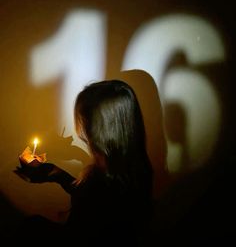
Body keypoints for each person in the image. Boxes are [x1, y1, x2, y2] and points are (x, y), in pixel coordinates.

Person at [15, 79, 154, 245]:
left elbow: (80, 229)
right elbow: (90, 199)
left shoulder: (106, 187)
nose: (78, 127)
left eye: (82, 119)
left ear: (97, 128)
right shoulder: (136, 167)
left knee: (29, 226)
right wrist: (57, 174)